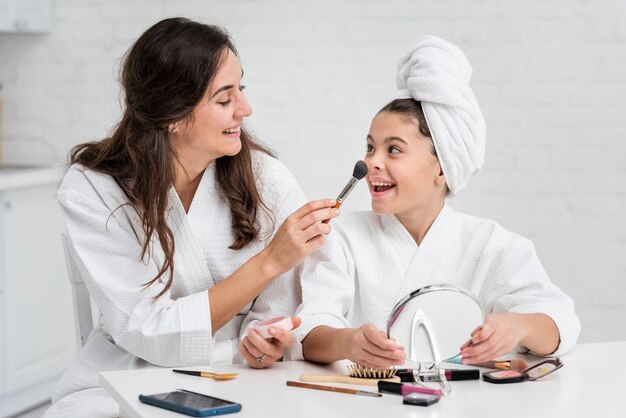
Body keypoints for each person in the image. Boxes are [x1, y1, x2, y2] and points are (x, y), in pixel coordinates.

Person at [44, 17, 336, 417]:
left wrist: (263, 339)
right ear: (172, 116)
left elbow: (279, 310)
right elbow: (146, 330)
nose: (245, 110)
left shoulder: (266, 178)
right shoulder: (94, 189)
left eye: (242, 89)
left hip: (238, 375)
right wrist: (269, 261)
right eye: (224, 99)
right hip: (126, 374)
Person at [292, 36, 581, 369]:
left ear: (442, 167)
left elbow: (561, 322)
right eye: (370, 147)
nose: (372, 162)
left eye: (394, 149)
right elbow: (310, 329)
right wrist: (348, 342)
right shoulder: (341, 237)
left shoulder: (489, 244)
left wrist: (518, 327)